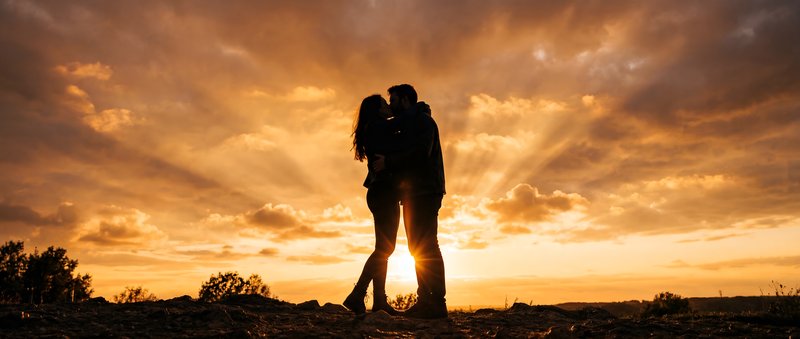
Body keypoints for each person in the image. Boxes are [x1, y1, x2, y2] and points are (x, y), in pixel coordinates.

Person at [375, 84, 447, 319]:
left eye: (393, 101)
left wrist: (388, 162)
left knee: (427, 245)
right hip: (415, 193)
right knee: (417, 247)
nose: (391, 106)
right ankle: (426, 300)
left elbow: (420, 153)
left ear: (405, 100)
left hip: (425, 191)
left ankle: (436, 303)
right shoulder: (410, 123)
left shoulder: (423, 122)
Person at [343, 94, 402, 315]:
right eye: (385, 104)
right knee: (385, 248)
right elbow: (402, 123)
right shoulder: (379, 126)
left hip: (380, 192)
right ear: (377, 110)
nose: (389, 106)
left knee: (383, 248)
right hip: (384, 192)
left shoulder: (372, 128)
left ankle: (379, 301)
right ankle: (357, 294)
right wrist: (418, 111)